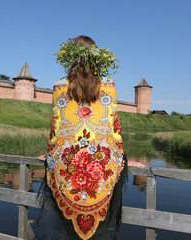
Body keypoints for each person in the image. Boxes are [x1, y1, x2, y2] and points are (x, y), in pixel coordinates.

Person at [37, 36, 142, 240]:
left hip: (69, 171)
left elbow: (56, 129)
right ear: (97, 59)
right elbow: (114, 130)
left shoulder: (59, 89)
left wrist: (51, 154)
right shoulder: (109, 88)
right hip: (99, 174)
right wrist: (123, 158)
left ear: (71, 58)